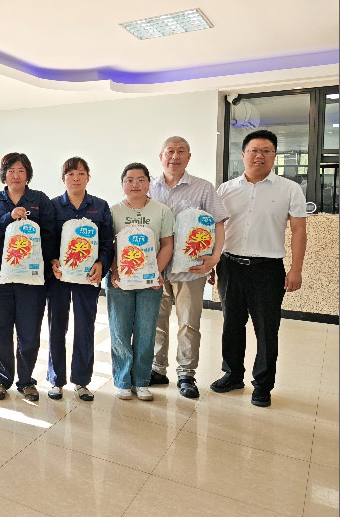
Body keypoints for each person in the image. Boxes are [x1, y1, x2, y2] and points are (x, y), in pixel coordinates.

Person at [212, 129, 307, 407]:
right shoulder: (225, 189)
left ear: (274, 155)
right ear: (243, 154)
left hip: (267, 269)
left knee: (266, 328)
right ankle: (232, 375)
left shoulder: (290, 189)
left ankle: (263, 385)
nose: (259, 156)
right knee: (231, 323)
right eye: (254, 150)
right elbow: (215, 230)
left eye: (266, 151)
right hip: (230, 266)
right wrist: (211, 262)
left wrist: (296, 269)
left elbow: (299, 231)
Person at [148, 136, 228, 399]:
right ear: (161, 156)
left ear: (189, 156)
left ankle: (186, 374)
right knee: (156, 322)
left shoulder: (203, 188)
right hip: (156, 268)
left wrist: (215, 257)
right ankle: (157, 369)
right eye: (170, 151)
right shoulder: (149, 187)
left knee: (189, 324)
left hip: (191, 270)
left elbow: (218, 223)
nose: (175, 156)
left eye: (181, 151)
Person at [0, 153, 54, 402]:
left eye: (21, 170)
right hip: (0, 278)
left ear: (28, 174)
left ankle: (26, 381)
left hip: (32, 280)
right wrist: (9, 217)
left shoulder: (40, 200)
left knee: (29, 331)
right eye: (11, 170)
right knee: (0, 331)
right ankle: (1, 379)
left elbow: (50, 235)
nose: (16, 175)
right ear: (4, 175)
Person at [47, 157, 114, 402]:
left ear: (88, 177)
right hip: (59, 277)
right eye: (71, 174)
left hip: (88, 277)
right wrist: (52, 260)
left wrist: (101, 264)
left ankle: (82, 381)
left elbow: (107, 242)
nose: (76, 178)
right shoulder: (53, 206)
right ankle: (56, 381)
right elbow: (47, 239)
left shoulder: (100, 206)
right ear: (63, 178)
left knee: (85, 327)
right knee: (57, 327)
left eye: (81, 173)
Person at [106, 162, 173, 402]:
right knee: (120, 331)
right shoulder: (113, 211)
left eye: (141, 179)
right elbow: (108, 246)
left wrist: (156, 272)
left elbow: (167, 244)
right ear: (122, 184)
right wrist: (115, 271)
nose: (135, 184)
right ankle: (123, 380)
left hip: (150, 282)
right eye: (130, 180)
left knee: (146, 332)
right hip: (119, 281)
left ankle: (142, 381)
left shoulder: (161, 211)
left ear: (149, 183)